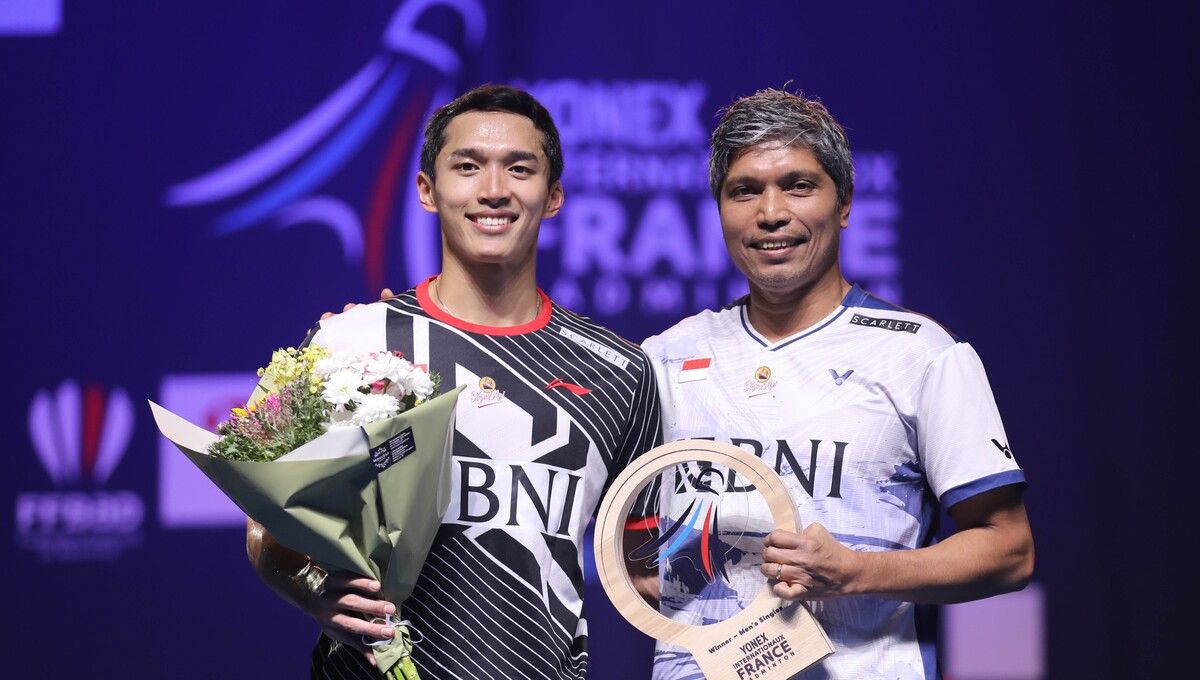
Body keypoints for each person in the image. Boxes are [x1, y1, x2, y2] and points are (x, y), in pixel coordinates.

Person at [245, 84, 662, 680]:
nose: (494, 190)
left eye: (521, 168)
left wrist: (775, 594)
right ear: (426, 190)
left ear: (554, 197)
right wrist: (311, 592)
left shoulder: (619, 371)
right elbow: (266, 525)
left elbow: (648, 568)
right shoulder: (353, 342)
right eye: (467, 167)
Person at [639, 88, 1034, 679]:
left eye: (798, 185)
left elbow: (1009, 550)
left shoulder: (920, 354)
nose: (770, 212)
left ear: (845, 203)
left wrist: (854, 572)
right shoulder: (666, 358)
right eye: (744, 190)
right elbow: (627, 545)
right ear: (719, 210)